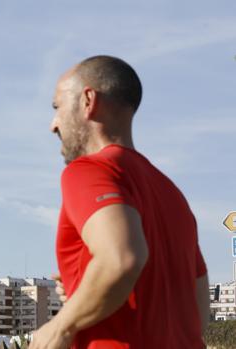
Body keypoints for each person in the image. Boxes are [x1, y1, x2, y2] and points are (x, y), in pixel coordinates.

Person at [29, 55, 209, 349]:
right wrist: (85, 289)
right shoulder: (171, 193)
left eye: (57, 107)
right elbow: (197, 312)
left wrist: (59, 327)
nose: (54, 125)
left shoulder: (89, 171)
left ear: (88, 101)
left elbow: (121, 259)